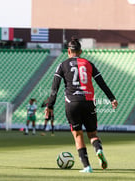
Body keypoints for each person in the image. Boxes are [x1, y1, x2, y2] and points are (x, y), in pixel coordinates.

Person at [45, 37, 118, 173]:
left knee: (78, 135)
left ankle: (87, 166)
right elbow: (102, 83)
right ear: (81, 51)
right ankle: (98, 150)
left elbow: (54, 87)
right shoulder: (89, 64)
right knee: (92, 134)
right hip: (89, 102)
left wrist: (50, 106)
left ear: (68, 51)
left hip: (72, 103)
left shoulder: (62, 65)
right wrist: (111, 98)